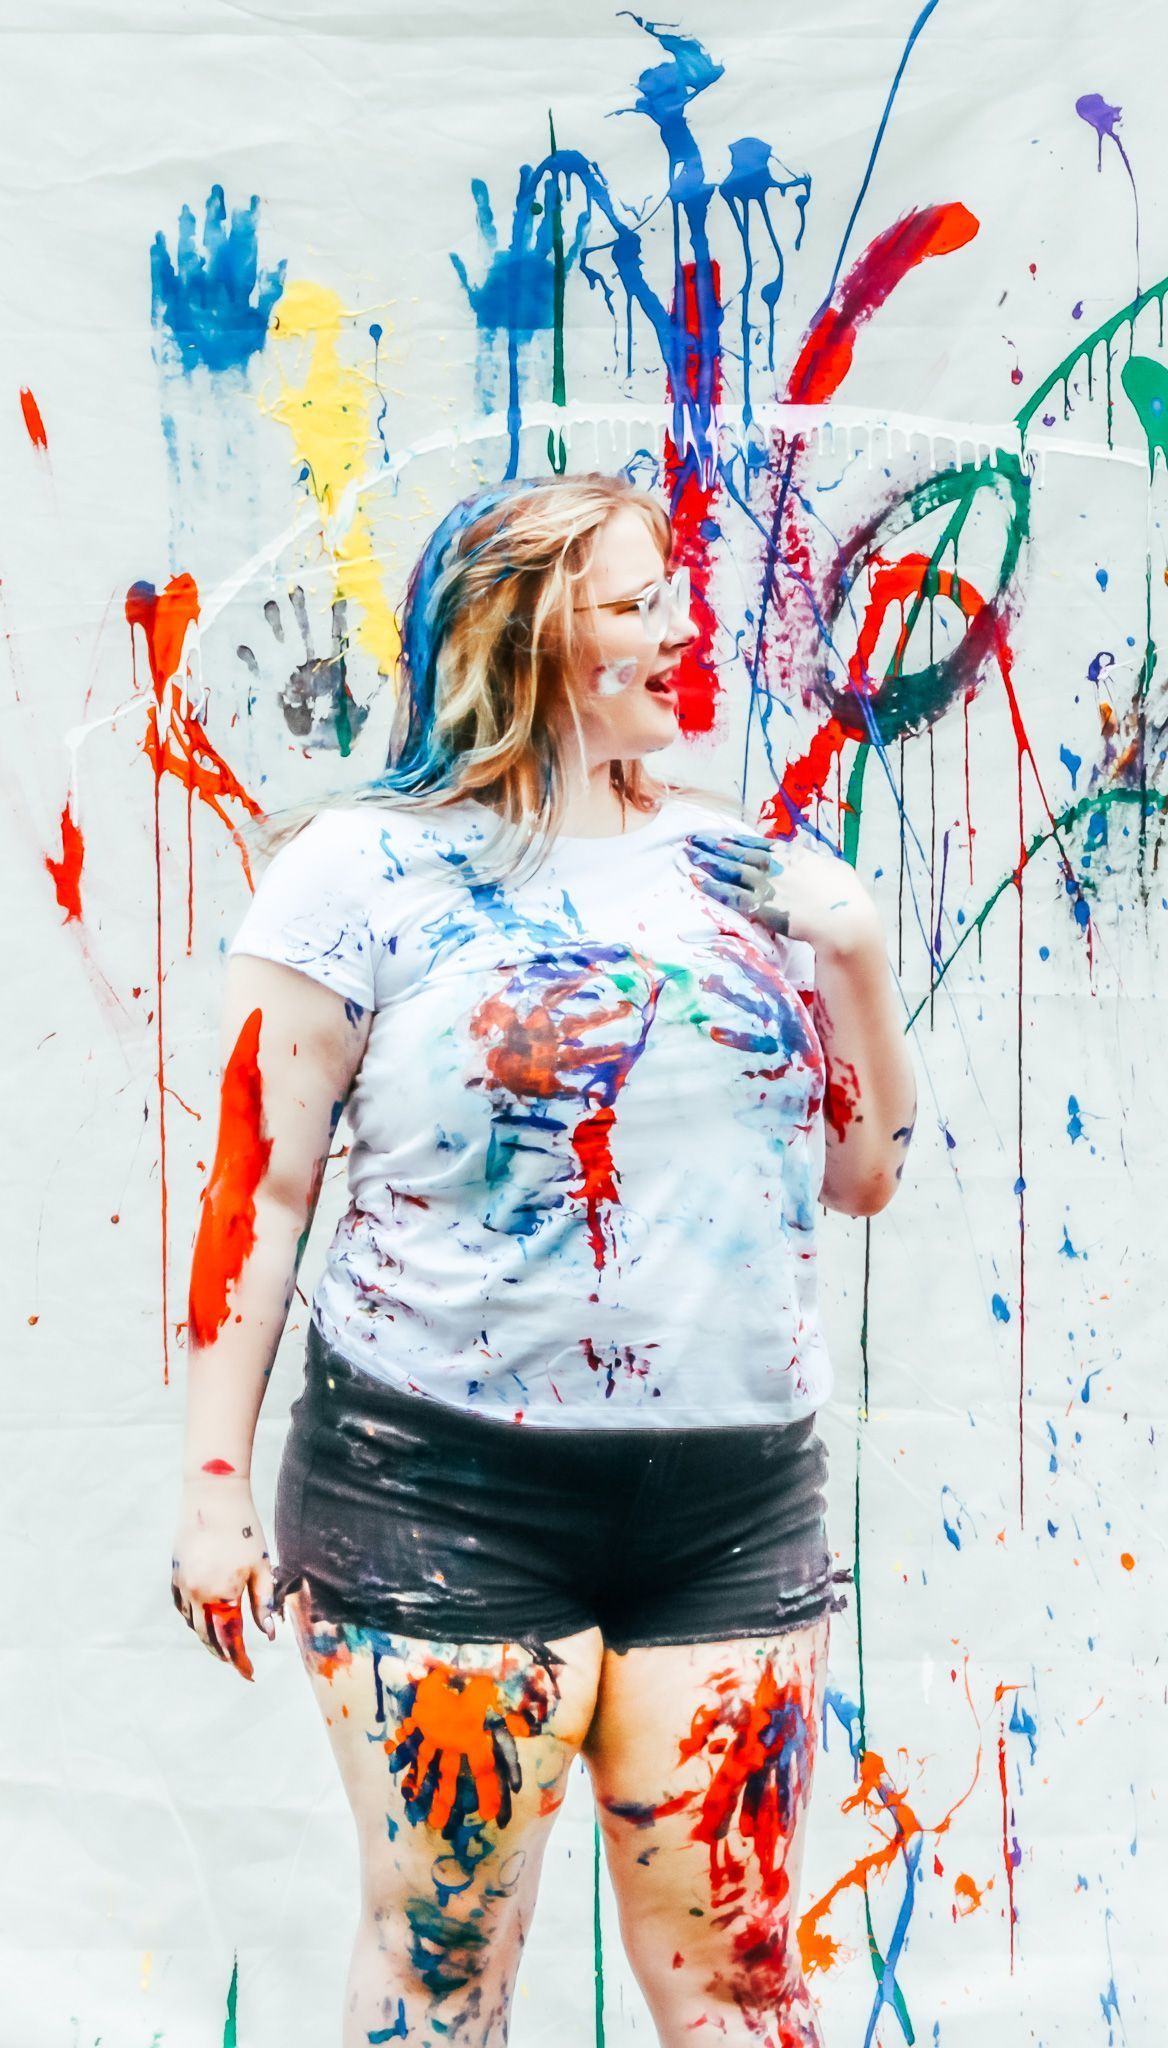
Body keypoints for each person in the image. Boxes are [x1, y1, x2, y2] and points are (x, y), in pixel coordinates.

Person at [171, 471, 916, 2047]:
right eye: (639, 602)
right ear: (525, 635)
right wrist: (212, 1482)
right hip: (436, 1494)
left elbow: (863, 1179)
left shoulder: (745, 876)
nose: (682, 627)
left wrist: (847, 946)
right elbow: (261, 1186)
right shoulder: (360, 875)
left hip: (735, 1501)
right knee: (443, 1972)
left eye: (673, 594)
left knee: (743, 1977)